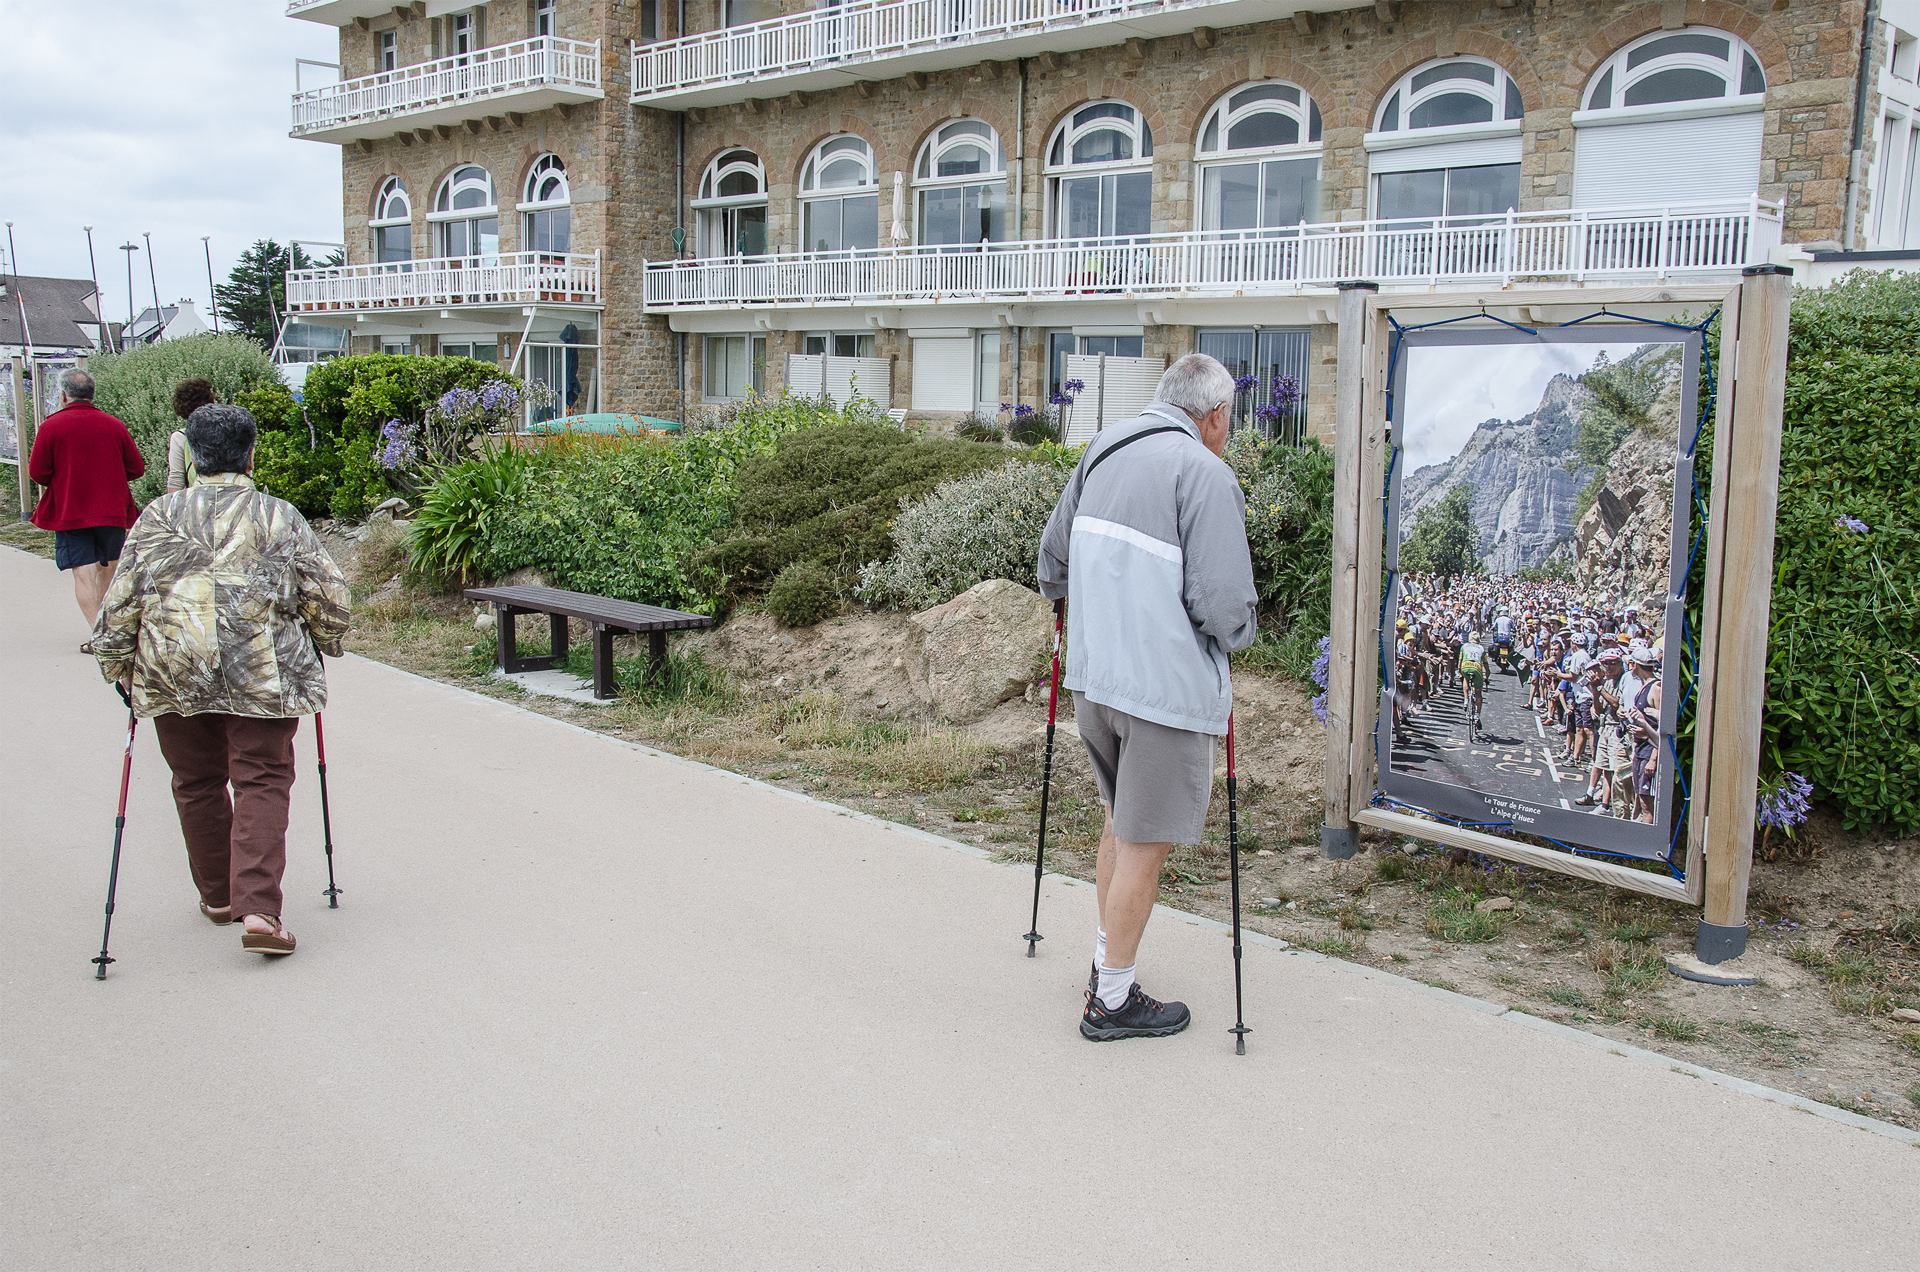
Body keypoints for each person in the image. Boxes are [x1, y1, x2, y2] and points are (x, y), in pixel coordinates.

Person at [1037, 354, 1257, 1042]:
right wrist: (1241, 637)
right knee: (1143, 843)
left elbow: (1053, 560)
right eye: (1231, 420)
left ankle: (1107, 967)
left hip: (1095, 679)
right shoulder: (1206, 474)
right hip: (1161, 690)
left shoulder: (1105, 447)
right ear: (1216, 416)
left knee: (1118, 824)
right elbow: (1224, 607)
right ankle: (1111, 1001)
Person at [91, 404, 352, 958]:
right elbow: (328, 596)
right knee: (260, 777)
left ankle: (217, 897)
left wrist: (118, 666)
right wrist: (325, 640)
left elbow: (121, 604)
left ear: (191, 455)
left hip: (173, 670)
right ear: (251, 453)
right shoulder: (278, 516)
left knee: (196, 780)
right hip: (262, 670)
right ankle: (258, 908)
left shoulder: (158, 518)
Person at [25, 368, 144, 645]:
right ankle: (111, 628)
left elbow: (38, 472)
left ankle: (98, 635)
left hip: (71, 510)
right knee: (110, 569)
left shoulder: (51, 426)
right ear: (92, 394)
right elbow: (136, 468)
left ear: (64, 395)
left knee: (84, 572)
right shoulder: (114, 425)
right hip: (112, 510)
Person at [166, 378, 216, 493]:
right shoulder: (228, 431)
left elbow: (176, 479)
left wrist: (172, 508)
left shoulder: (180, 437)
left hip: (196, 503)